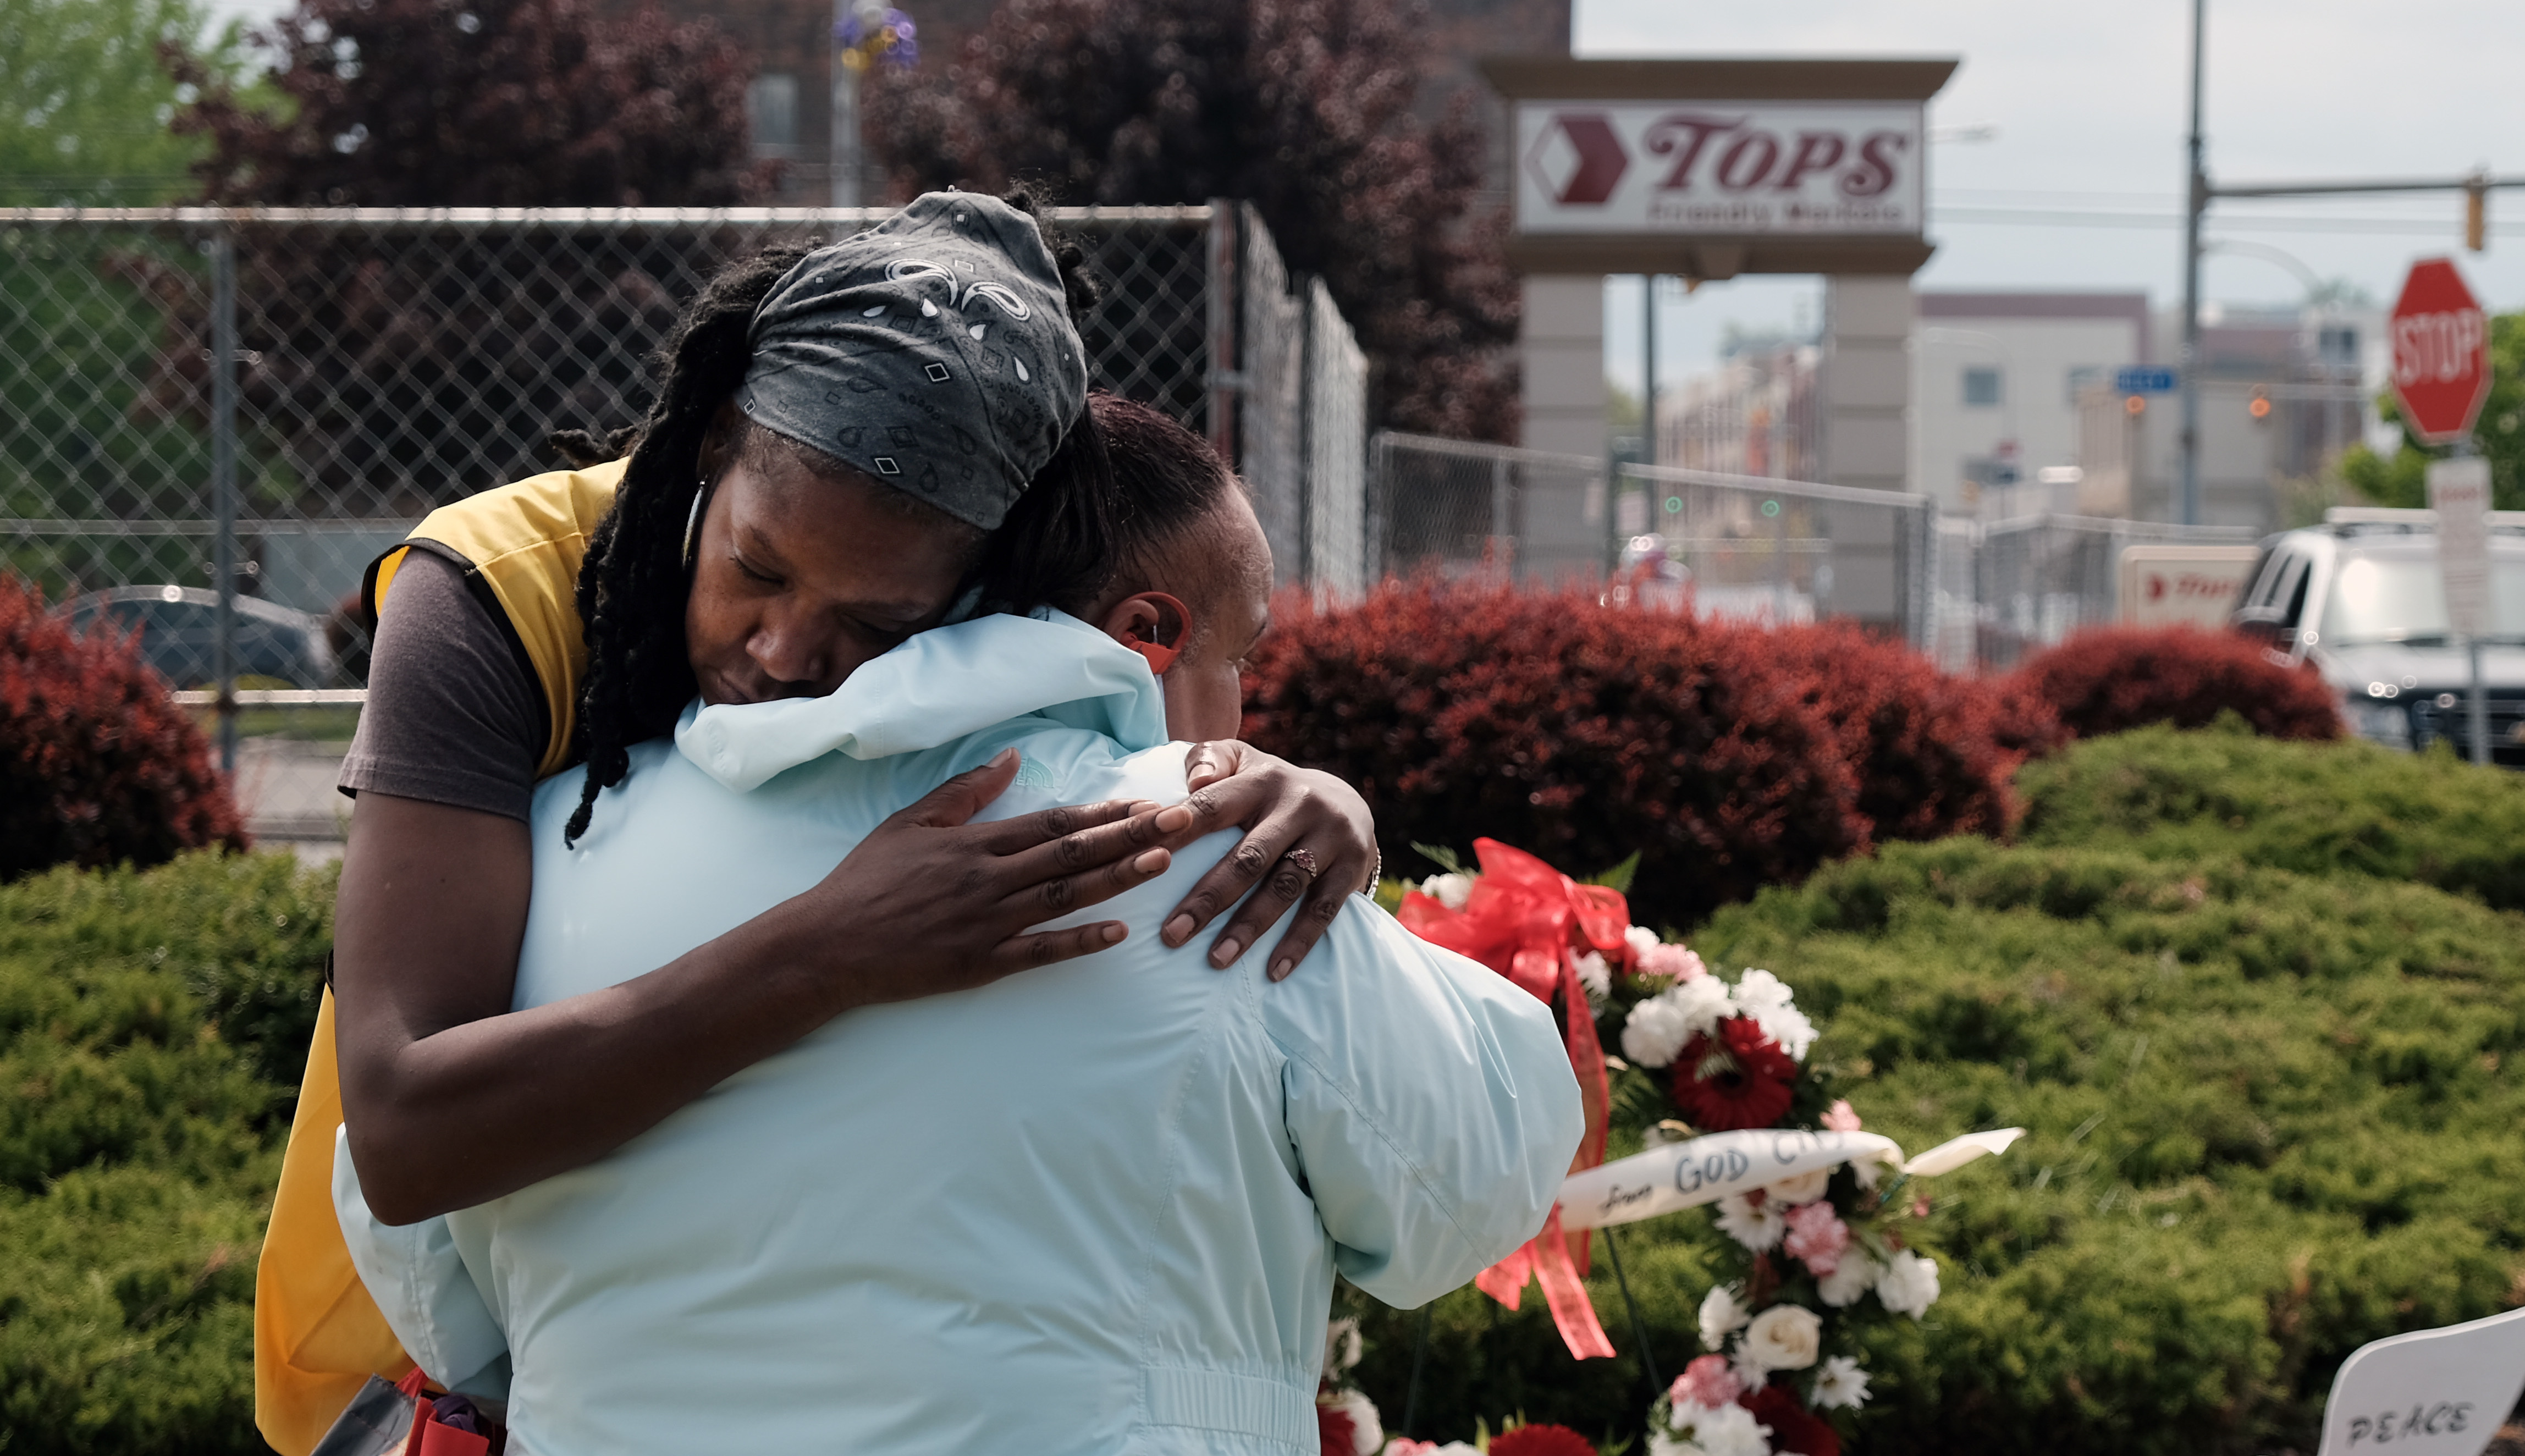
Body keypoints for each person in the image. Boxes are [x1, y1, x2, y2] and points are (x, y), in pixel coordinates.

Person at [256, 192, 1385, 1452]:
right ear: (713, 442)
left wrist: (1276, 785)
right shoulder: (491, 589)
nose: (785, 652)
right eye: (756, 567)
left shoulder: (985, 606)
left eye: (878, 623)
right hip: (422, 1348)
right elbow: (411, 1131)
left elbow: (1130, 715)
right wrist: (830, 949)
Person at [334, 396, 1583, 1453]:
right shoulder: (1219, 864)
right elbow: (1471, 1192)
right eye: (1243, 657)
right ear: (1144, 638)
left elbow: (433, 1292)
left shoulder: (556, 842)